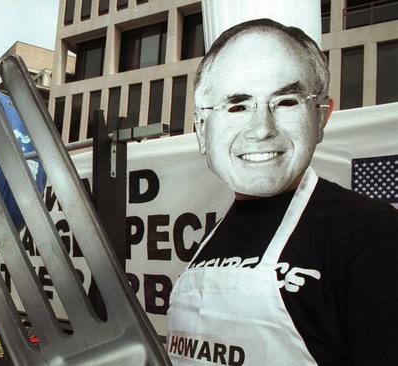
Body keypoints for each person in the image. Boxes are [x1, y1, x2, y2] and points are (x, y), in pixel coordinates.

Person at [166, 19, 398, 366]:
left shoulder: (373, 236)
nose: (262, 129)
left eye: (286, 102)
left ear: (322, 115)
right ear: (202, 129)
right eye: (237, 106)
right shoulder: (211, 240)